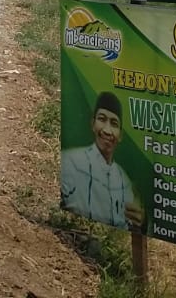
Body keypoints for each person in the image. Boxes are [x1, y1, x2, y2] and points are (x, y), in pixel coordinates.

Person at [60, 91, 143, 231]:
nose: (107, 130)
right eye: (102, 119)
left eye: (114, 123)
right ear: (93, 124)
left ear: (120, 135)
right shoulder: (71, 161)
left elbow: (130, 223)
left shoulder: (124, 181)